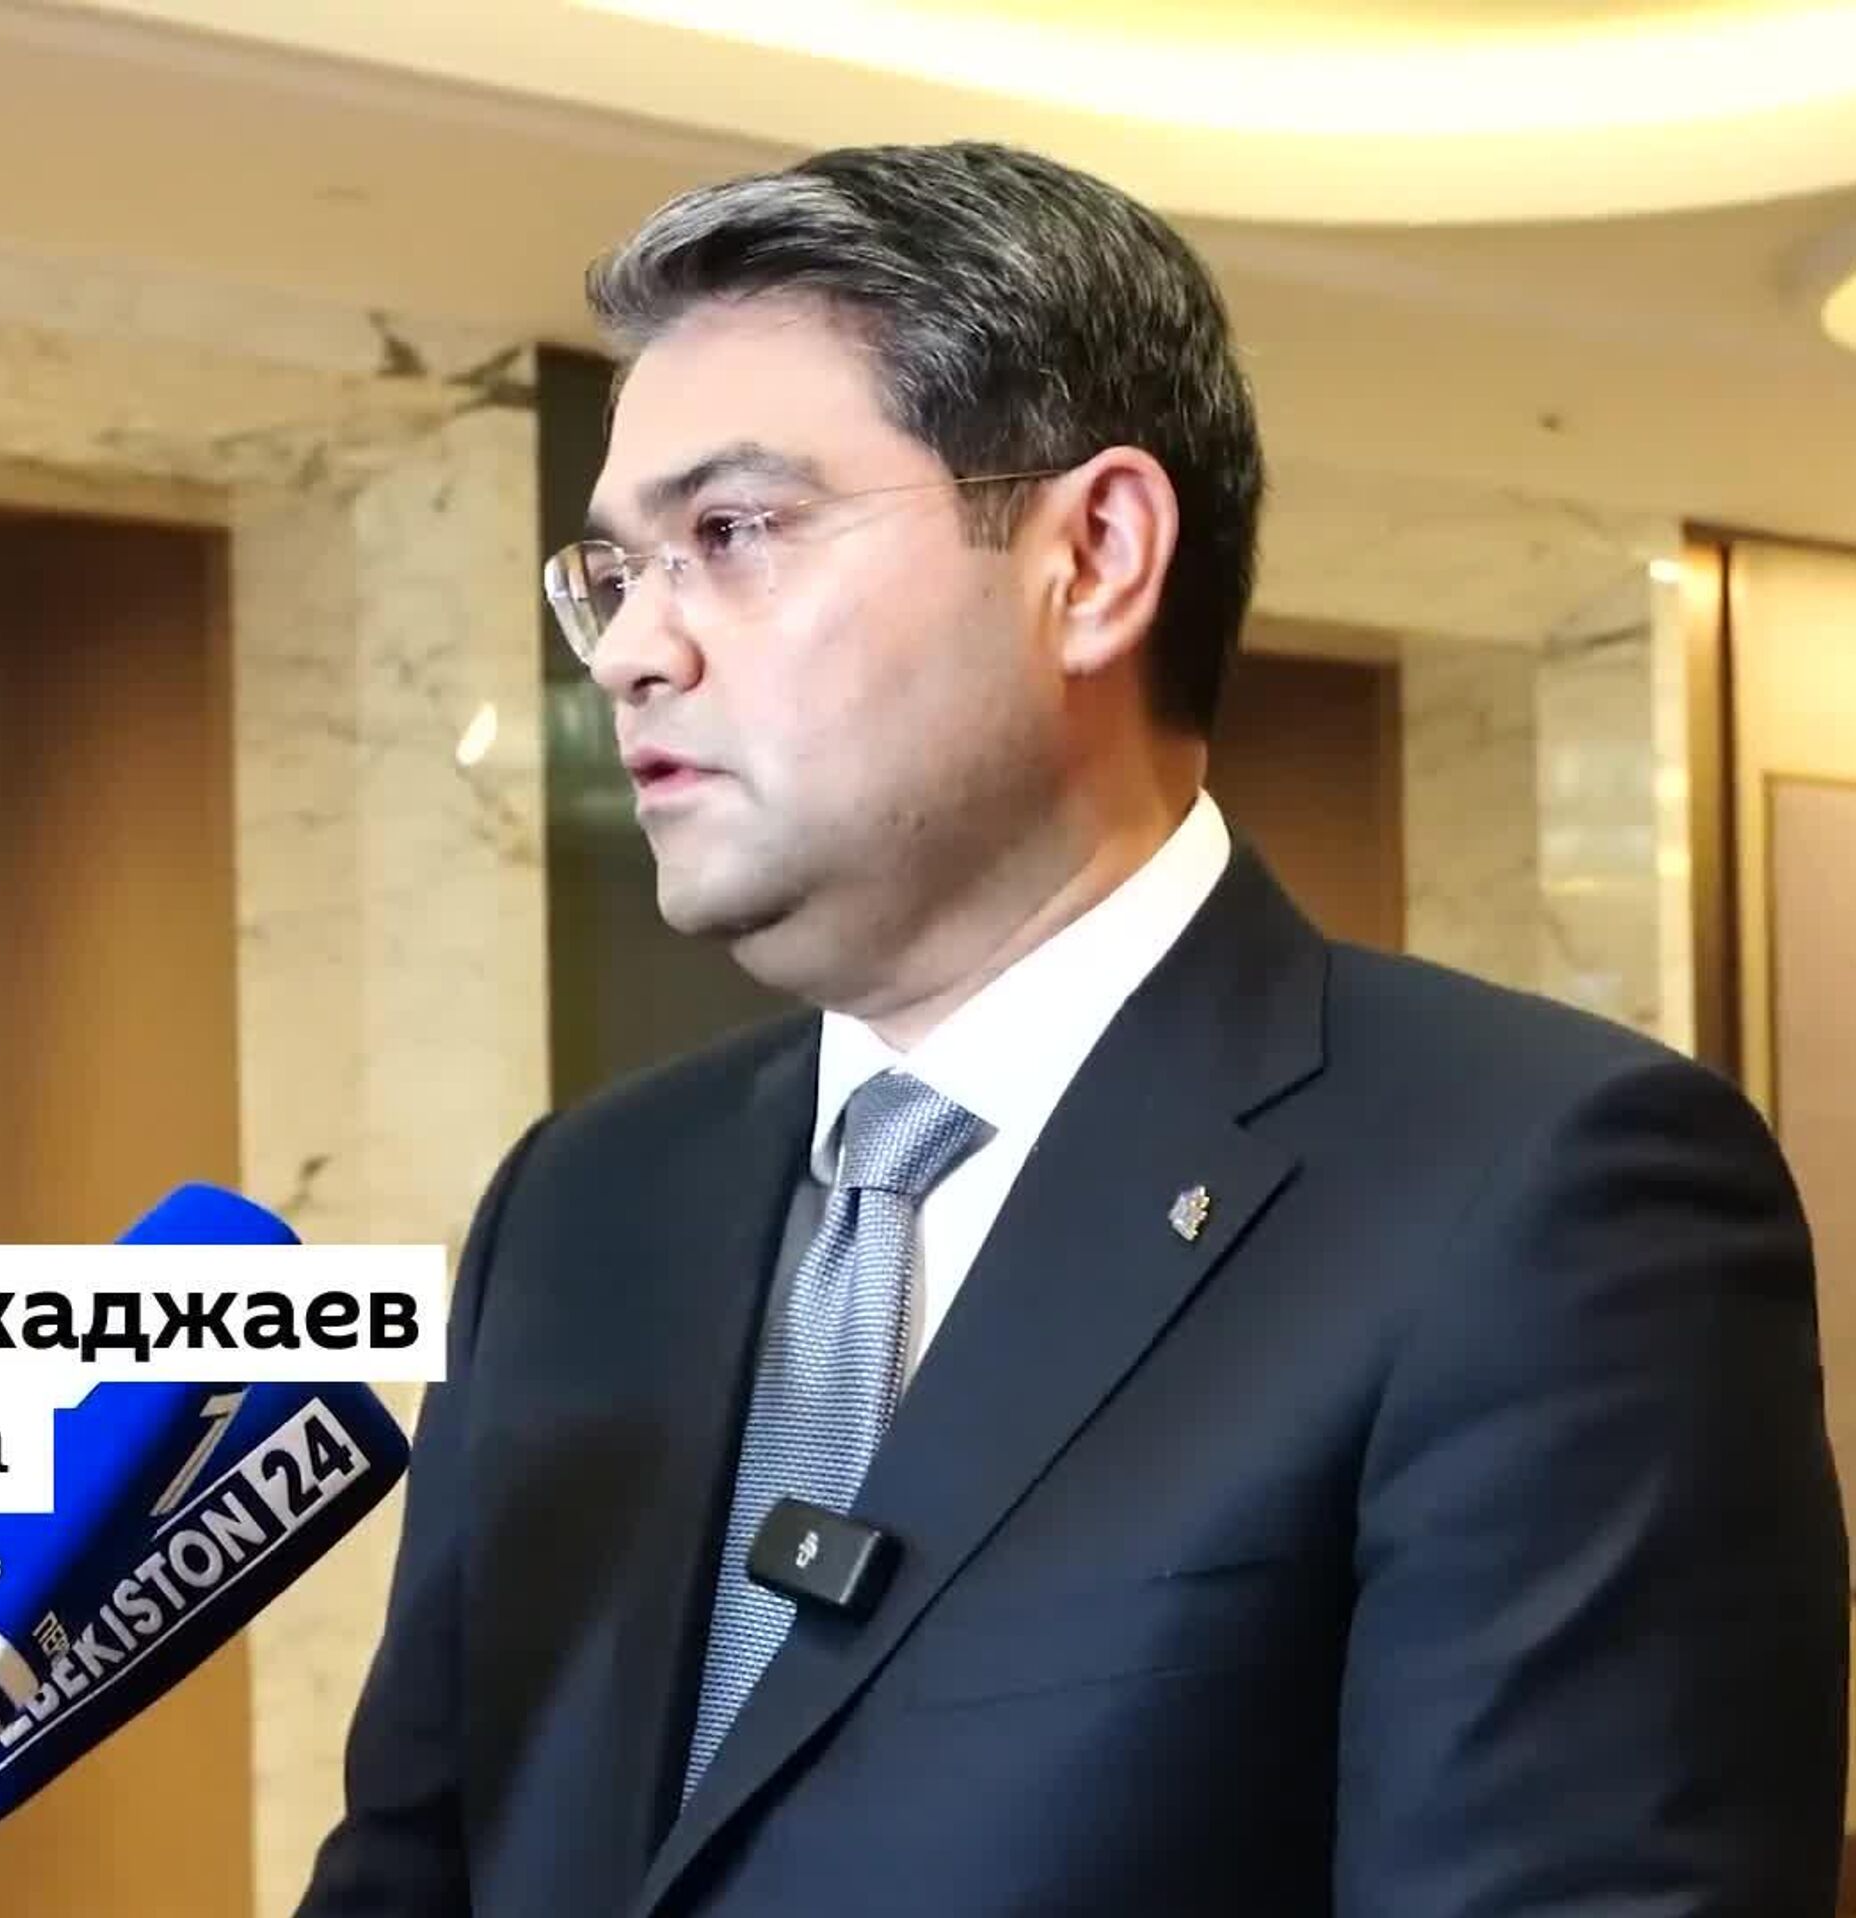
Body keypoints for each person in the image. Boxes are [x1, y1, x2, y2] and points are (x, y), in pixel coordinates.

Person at [296, 142, 1848, 1918]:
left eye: (731, 535)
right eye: (614, 570)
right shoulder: (581, 1209)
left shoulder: (1544, 1197)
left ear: (1094, 557)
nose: (633, 648)